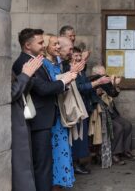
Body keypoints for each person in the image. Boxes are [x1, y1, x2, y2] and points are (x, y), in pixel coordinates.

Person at [12, 28, 76, 191]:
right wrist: (64, 81)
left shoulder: (34, 59)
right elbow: (42, 88)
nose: (43, 46)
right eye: (40, 43)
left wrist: (63, 82)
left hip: (43, 119)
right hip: (38, 121)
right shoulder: (24, 62)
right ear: (27, 45)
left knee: (44, 163)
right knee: (42, 165)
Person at [42, 34, 76, 190]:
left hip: (59, 112)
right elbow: (49, 86)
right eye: (54, 44)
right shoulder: (43, 64)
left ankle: (60, 185)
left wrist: (69, 77)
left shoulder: (56, 63)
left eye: (58, 44)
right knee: (56, 152)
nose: (58, 47)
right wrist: (66, 78)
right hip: (51, 114)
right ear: (45, 46)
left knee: (62, 150)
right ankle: (55, 185)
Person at [92, 65, 135, 163]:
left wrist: (114, 84)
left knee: (127, 125)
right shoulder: (92, 82)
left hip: (111, 112)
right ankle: (114, 153)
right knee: (118, 128)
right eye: (102, 74)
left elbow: (113, 93)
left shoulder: (105, 82)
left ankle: (125, 150)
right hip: (100, 114)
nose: (105, 76)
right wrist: (99, 92)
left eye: (105, 74)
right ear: (95, 74)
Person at [11, 55, 43, 191]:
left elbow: (21, 90)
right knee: (21, 168)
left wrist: (29, 76)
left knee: (25, 165)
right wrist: (25, 75)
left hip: (19, 120)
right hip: (12, 122)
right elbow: (8, 94)